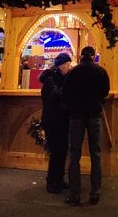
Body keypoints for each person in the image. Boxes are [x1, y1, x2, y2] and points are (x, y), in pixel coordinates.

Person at [62, 46, 110, 207]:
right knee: (95, 153)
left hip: (76, 115)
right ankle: (95, 191)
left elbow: (65, 93)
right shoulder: (101, 71)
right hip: (94, 114)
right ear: (94, 55)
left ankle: (74, 194)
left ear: (80, 56)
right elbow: (105, 91)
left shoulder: (73, 72)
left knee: (74, 153)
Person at [40, 52, 72, 193]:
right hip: (53, 119)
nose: (68, 67)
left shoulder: (59, 77)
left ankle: (58, 179)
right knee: (56, 151)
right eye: (67, 65)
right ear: (61, 66)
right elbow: (53, 96)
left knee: (61, 150)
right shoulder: (51, 78)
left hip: (60, 119)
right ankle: (51, 181)